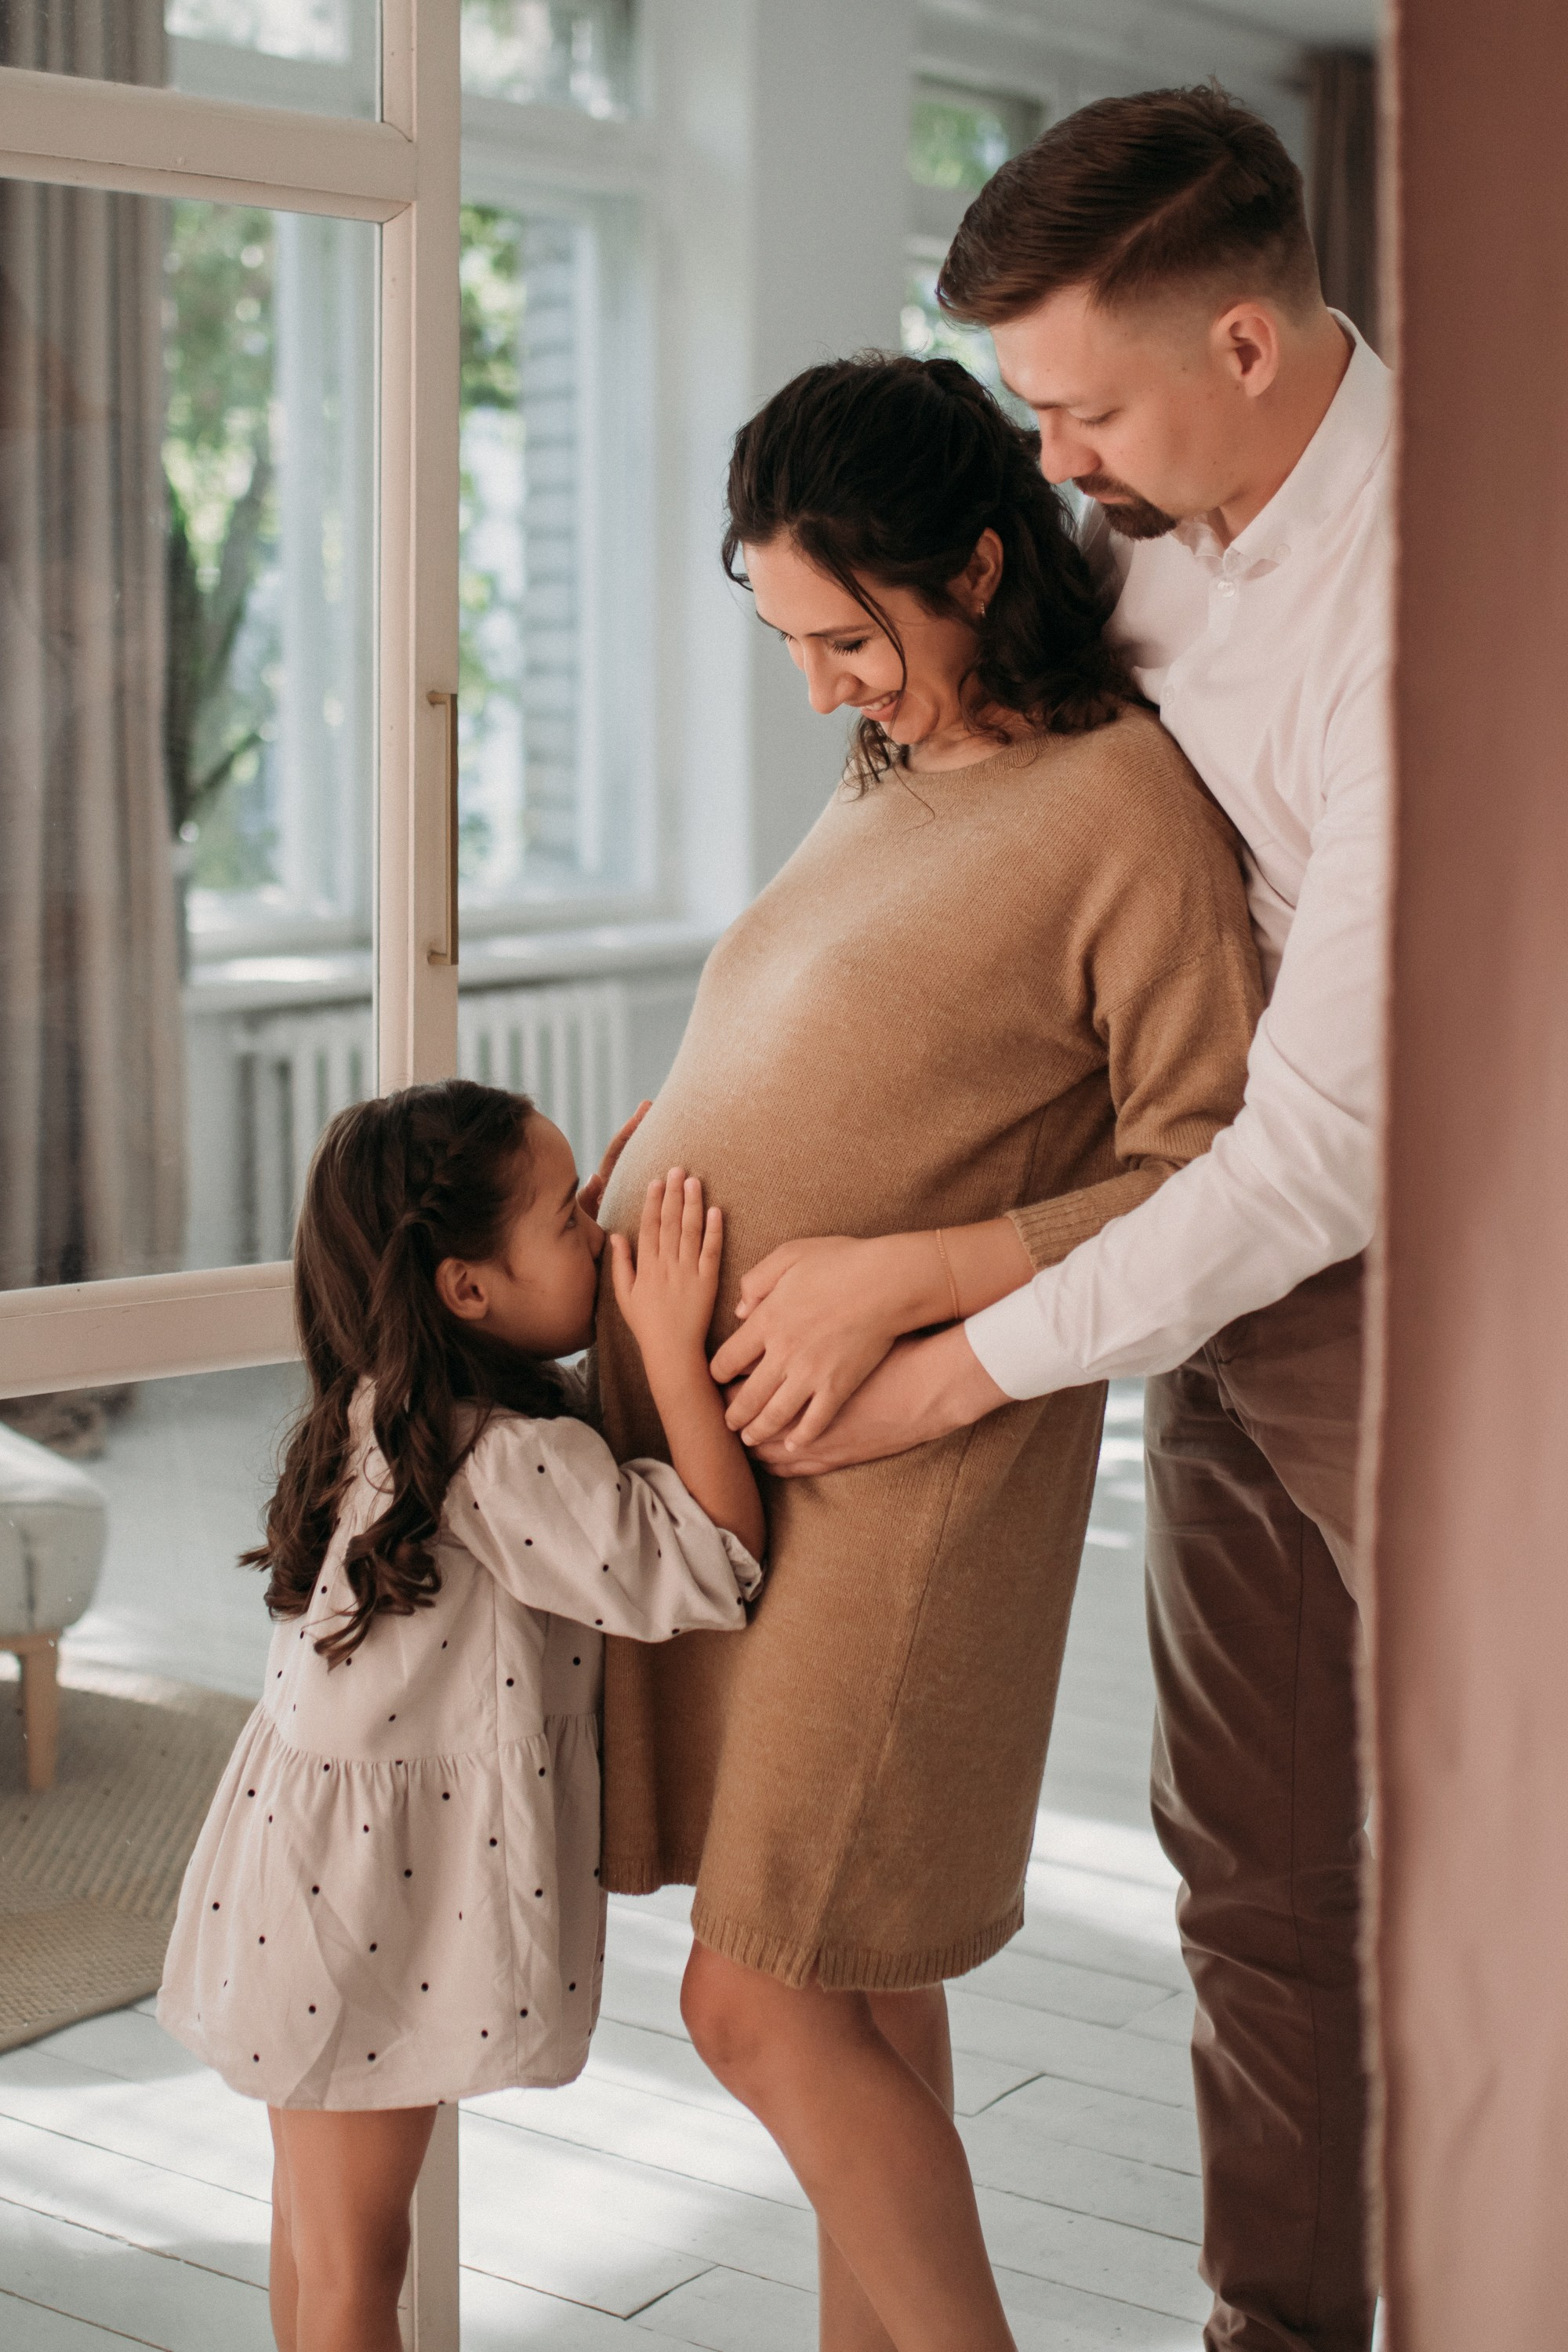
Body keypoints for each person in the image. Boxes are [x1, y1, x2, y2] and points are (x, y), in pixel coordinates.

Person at [717, 89, 1388, 2352]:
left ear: (1247, 354)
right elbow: (967, 641)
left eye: (1079, 404)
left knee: (1500, 1847)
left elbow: (1307, 1149)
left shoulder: (1427, 605)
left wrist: (934, 1325)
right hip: (1187, 1290)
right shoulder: (1112, 534)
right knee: (1256, 1879)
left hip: (1399, 1275)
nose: (1057, 461)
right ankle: (1276, 2326)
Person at [592, 350, 1262, 2352]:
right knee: (865, 1985)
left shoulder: (1120, 805)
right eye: (787, 637)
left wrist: (902, 1276)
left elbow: (1210, 1163)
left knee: (759, 1991)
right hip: (749, 1454)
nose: (819, 685)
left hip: (912, 1467)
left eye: (844, 635)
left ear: (976, 566)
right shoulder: (897, 763)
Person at [158, 1080, 762, 2352]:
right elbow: (709, 1563)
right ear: (467, 1290)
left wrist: (582, 1240)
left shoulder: (391, 1409)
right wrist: (663, 1344)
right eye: (568, 1220)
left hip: (311, 1887)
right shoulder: (503, 1459)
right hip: (360, 1910)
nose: (601, 1239)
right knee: (352, 2271)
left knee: (322, 2252)